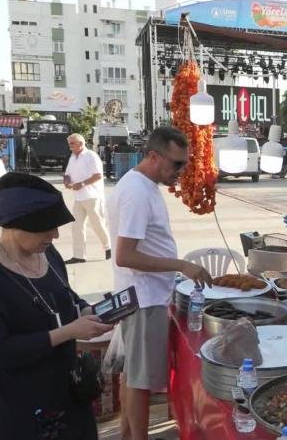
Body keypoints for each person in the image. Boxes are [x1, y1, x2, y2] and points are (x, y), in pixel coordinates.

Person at [0, 172, 113, 440]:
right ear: (15, 224)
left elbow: (68, 297)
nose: (55, 234)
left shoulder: (48, 254)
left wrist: (87, 311)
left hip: (68, 398)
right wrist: (68, 332)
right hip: (15, 411)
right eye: (46, 226)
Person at [107, 126, 212, 440]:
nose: (180, 171)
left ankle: (128, 434)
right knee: (140, 382)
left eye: (184, 164)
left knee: (132, 375)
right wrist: (181, 265)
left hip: (146, 295)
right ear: (153, 156)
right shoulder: (137, 192)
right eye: (176, 164)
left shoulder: (144, 185)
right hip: (144, 298)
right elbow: (125, 256)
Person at [63, 133, 111, 265]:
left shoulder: (91, 156)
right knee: (76, 226)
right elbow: (67, 174)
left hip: (92, 196)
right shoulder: (72, 157)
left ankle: (109, 247)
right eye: (69, 144)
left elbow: (98, 175)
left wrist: (82, 184)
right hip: (78, 198)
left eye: (72, 144)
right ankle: (79, 256)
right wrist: (66, 181)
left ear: (80, 143)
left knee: (98, 224)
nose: (70, 146)